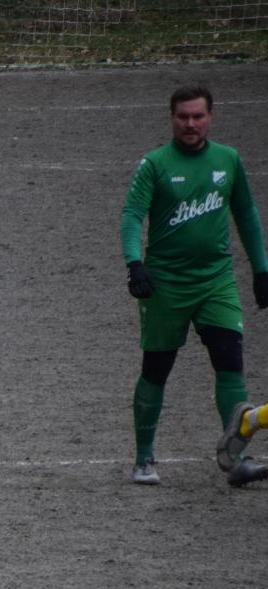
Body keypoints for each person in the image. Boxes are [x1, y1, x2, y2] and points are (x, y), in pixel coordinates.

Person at [120, 85, 268, 488]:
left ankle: (236, 456)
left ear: (210, 117)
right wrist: (135, 263)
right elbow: (132, 216)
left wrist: (261, 269)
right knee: (156, 368)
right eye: (183, 117)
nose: (190, 124)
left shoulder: (228, 160)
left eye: (197, 116)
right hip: (165, 285)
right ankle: (144, 458)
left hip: (216, 281)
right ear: (172, 118)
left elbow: (248, 216)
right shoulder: (154, 164)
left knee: (229, 361)